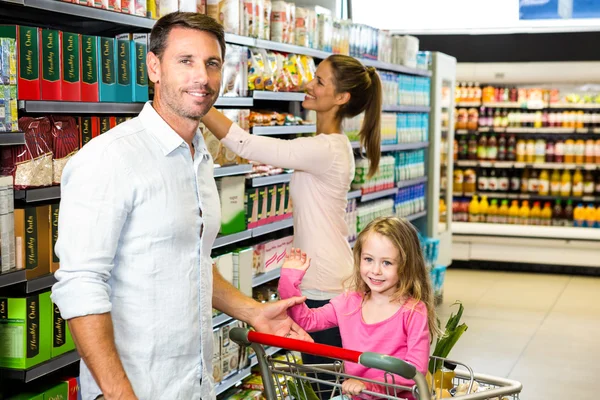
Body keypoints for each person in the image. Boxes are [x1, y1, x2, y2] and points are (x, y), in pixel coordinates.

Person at [51, 12, 310, 400]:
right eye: (185, 61)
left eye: (212, 64)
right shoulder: (108, 159)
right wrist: (118, 393)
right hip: (135, 389)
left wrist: (252, 311)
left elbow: (190, 262)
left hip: (196, 385)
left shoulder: (200, 158)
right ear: (154, 67)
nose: (201, 78)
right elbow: (80, 285)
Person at [200, 54, 383, 358]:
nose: (308, 84)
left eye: (319, 81)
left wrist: (199, 99)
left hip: (325, 286)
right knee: (322, 378)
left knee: (324, 381)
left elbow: (246, 145)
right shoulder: (325, 145)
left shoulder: (326, 149)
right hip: (321, 279)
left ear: (341, 97)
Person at [278, 217, 440, 400]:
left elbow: (414, 370)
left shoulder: (413, 311)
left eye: (387, 263)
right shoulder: (349, 303)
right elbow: (307, 321)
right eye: (369, 259)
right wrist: (288, 280)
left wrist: (370, 386)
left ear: (406, 265)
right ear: (359, 258)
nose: (376, 270)